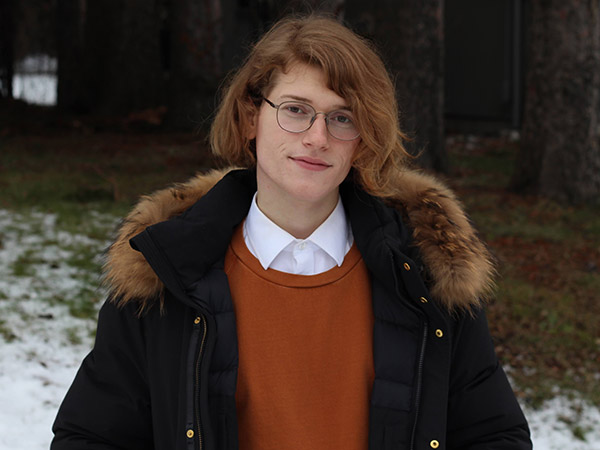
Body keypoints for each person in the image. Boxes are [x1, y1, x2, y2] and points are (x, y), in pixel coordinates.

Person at [51, 14, 531, 450]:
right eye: (296, 109)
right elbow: (91, 437)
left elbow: (493, 435)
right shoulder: (166, 271)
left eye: (342, 118)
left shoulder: (423, 274)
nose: (318, 137)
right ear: (249, 117)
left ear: (364, 140)